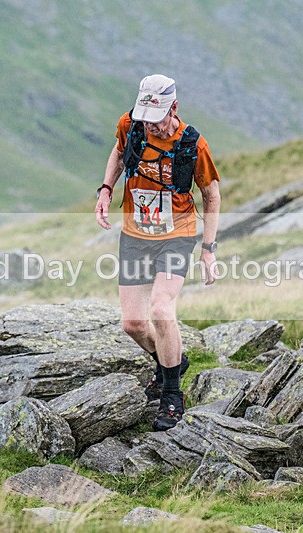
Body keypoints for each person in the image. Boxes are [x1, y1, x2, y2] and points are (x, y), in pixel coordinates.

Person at [95, 74, 221, 431]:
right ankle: (171, 362)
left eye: (158, 119)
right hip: (135, 235)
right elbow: (119, 153)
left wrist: (208, 250)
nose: (151, 126)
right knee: (133, 324)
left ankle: (171, 395)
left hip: (177, 235)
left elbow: (211, 196)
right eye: (146, 119)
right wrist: (106, 189)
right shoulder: (131, 125)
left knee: (162, 308)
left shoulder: (193, 145)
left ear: (174, 108)